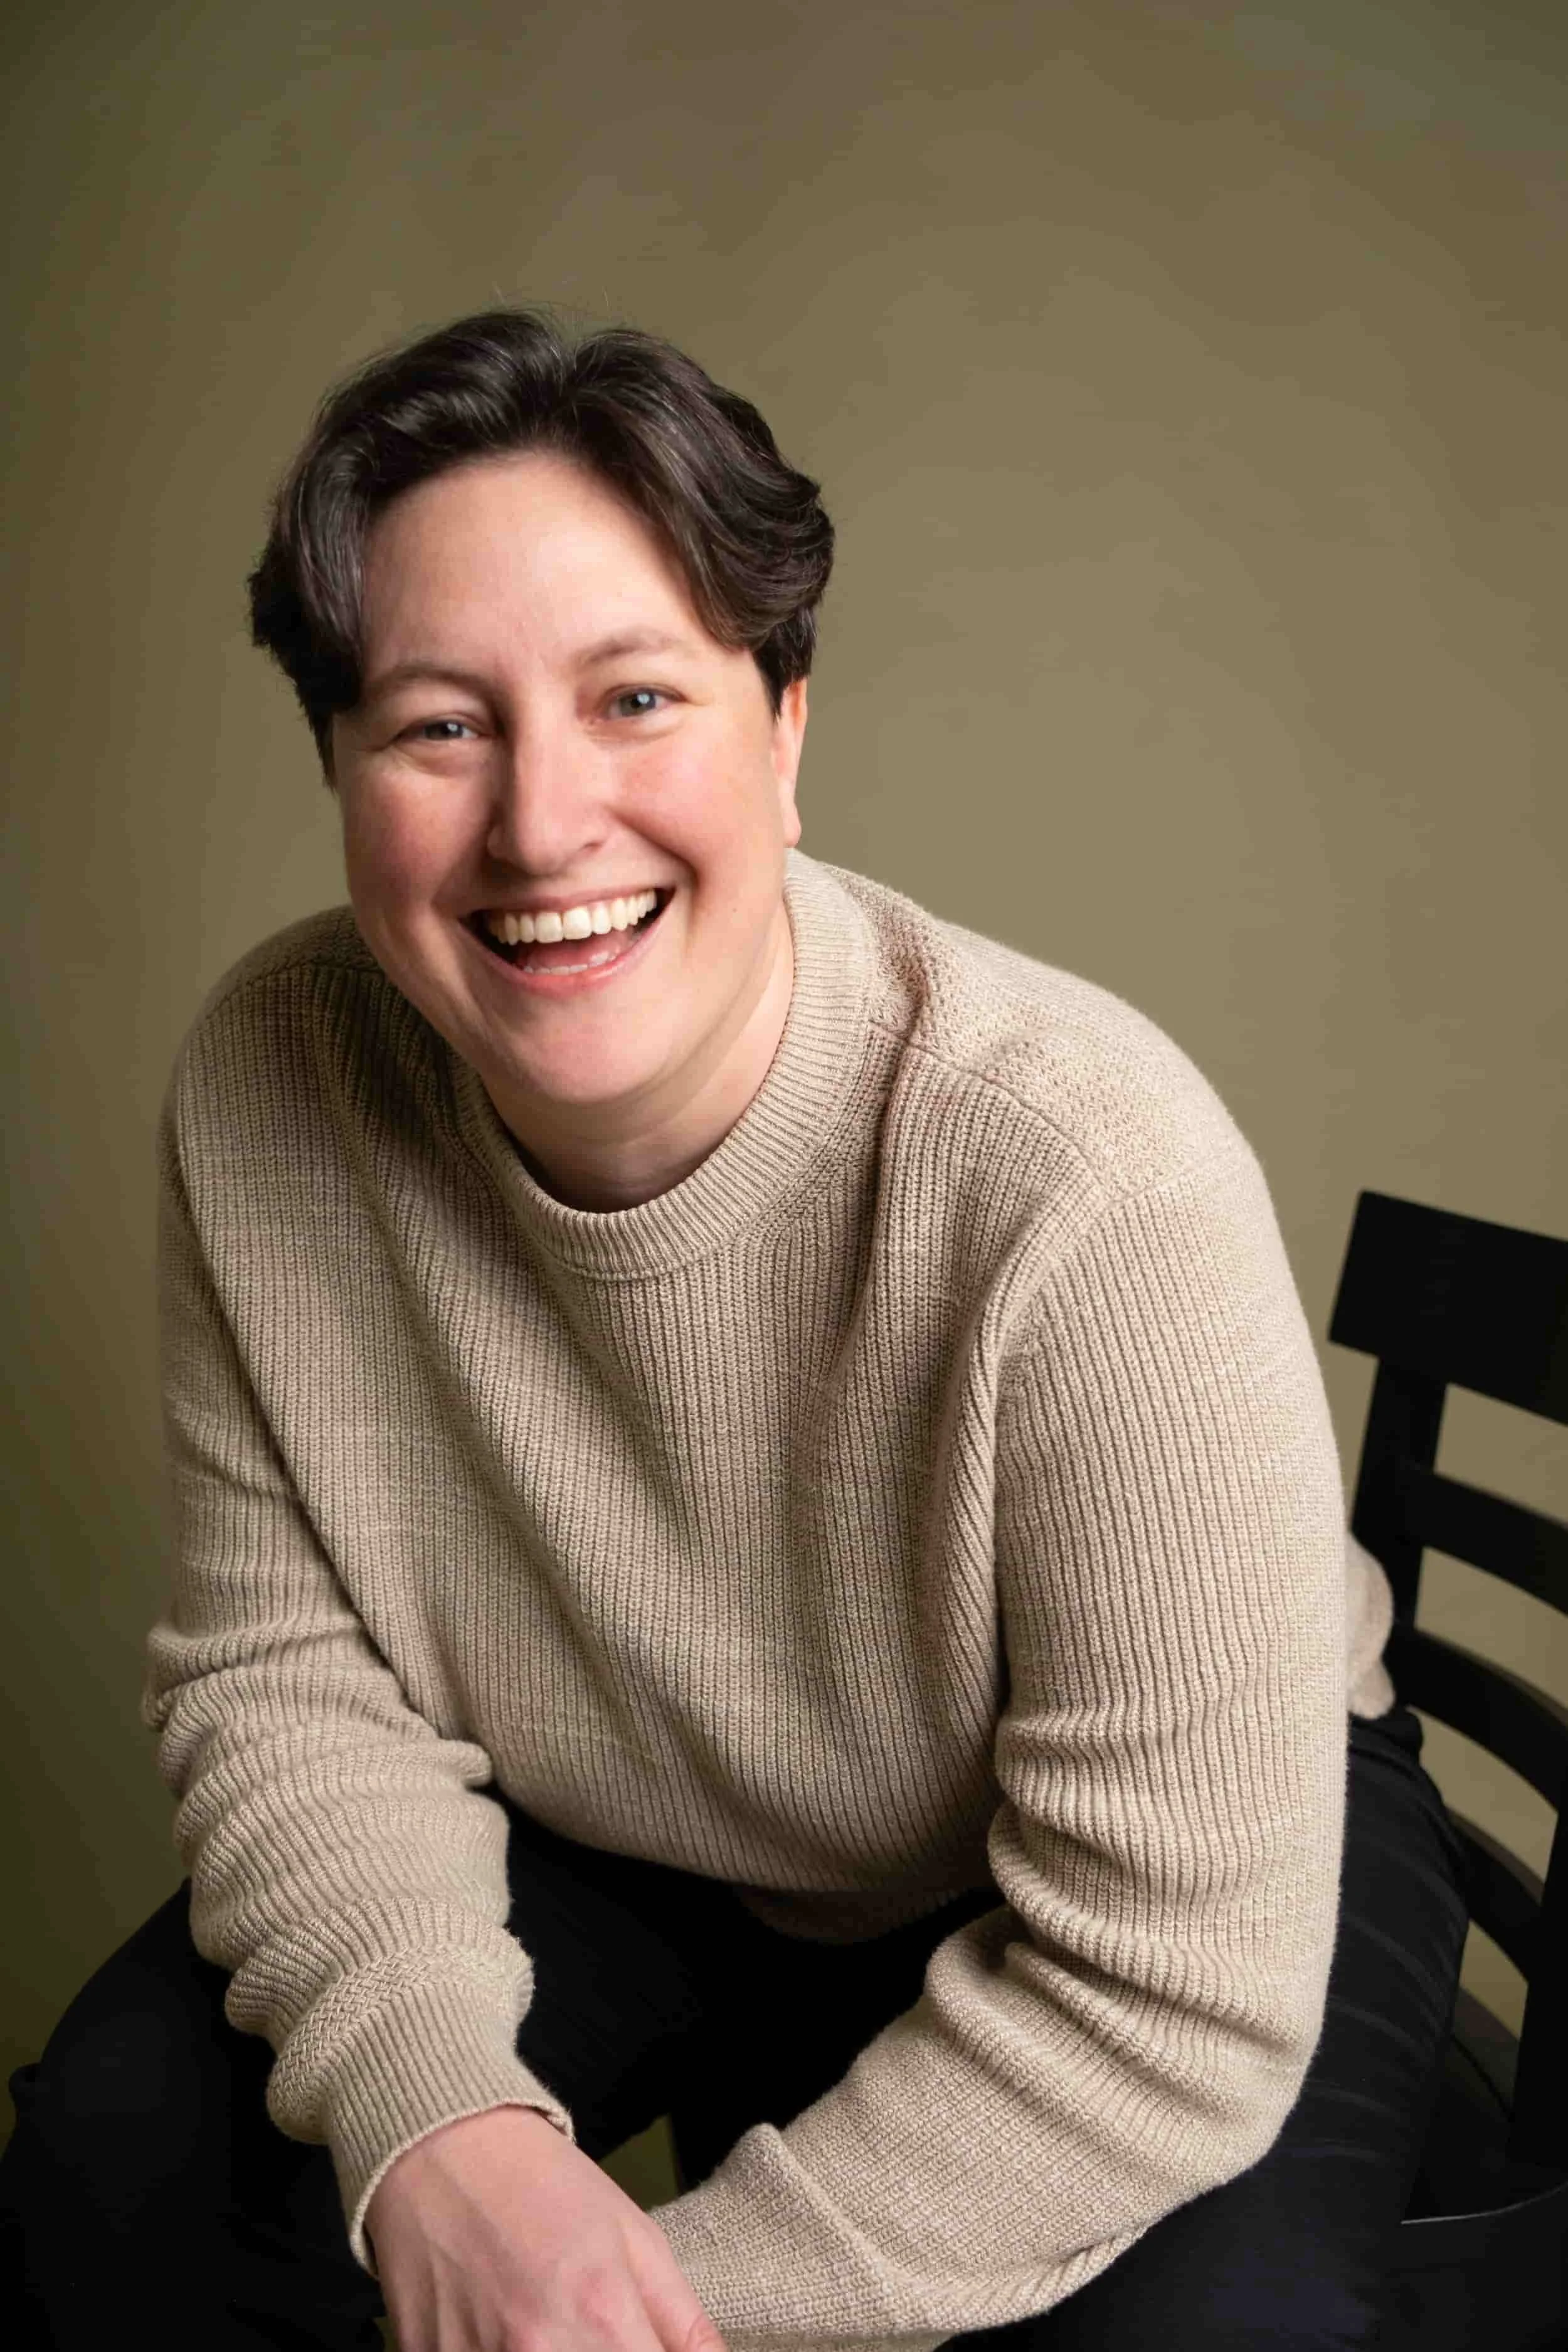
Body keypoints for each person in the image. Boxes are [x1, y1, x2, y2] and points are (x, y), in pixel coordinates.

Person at [0, 307, 1468, 2352]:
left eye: (634, 698)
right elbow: (288, 1680)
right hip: (644, 1812)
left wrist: (626, 2309)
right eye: (438, 725)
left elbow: (1166, 1990)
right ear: (336, 763)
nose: (540, 826)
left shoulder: (1082, 1172)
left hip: (1162, 1857)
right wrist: (444, 2128)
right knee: (122, 2152)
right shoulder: (274, 1083)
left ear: (782, 727)